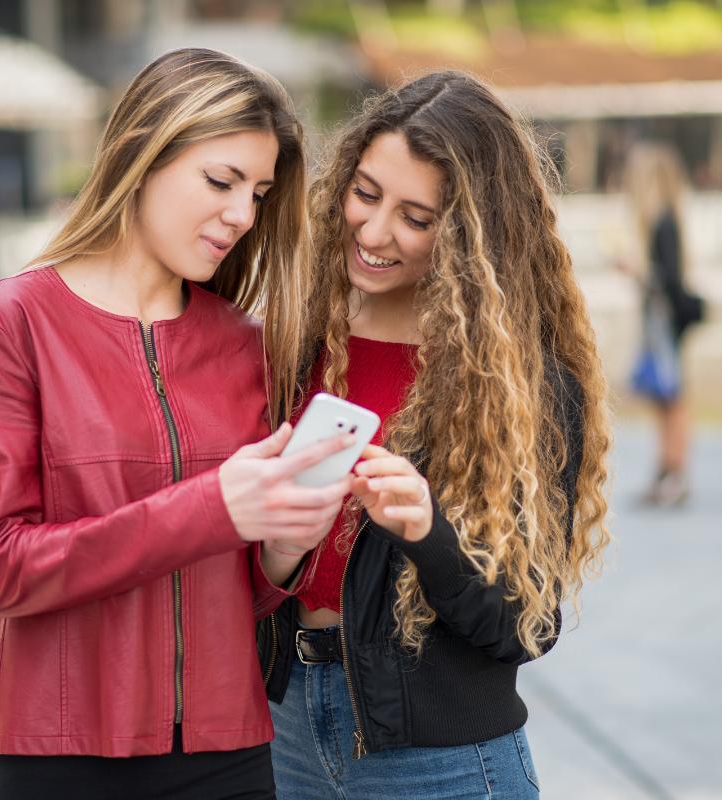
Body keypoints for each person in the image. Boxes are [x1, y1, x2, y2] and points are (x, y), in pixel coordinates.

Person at [0, 48, 353, 800]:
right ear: (141, 153)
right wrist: (211, 508)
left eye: (259, 193)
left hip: (228, 754)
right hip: (57, 752)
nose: (242, 214)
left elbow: (235, 592)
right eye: (221, 180)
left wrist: (278, 554)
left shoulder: (243, 347)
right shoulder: (12, 323)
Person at [259, 71, 612, 799]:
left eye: (416, 218)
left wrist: (429, 532)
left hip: (440, 761)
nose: (375, 231)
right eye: (365, 192)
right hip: (287, 722)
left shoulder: (524, 388)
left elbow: (527, 624)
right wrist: (282, 553)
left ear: (469, 235)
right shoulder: (301, 336)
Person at [619, 142, 704, 508]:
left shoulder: (662, 222)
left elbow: (665, 282)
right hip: (663, 324)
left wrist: (633, 271)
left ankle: (675, 474)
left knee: (671, 399)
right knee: (663, 397)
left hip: (664, 325)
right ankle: (667, 470)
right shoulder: (666, 220)